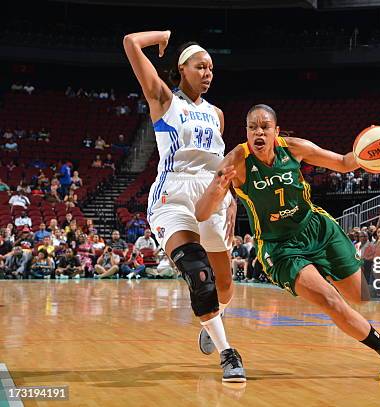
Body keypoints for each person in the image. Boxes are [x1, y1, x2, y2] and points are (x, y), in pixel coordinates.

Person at [195, 104, 380, 381]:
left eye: (265, 127)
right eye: (252, 127)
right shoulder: (236, 161)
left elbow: (344, 163)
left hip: (317, 229)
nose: (258, 132)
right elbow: (201, 213)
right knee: (330, 300)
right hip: (279, 247)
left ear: (276, 131)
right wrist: (217, 189)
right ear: (246, 132)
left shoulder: (295, 148)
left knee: (359, 297)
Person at [123, 29, 244, 381]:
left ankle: (212, 321)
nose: (207, 73)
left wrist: (231, 196)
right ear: (182, 69)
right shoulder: (164, 99)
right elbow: (130, 43)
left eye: (211, 69)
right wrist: (161, 36)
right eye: (200, 67)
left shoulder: (217, 114)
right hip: (172, 195)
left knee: (224, 285)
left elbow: (219, 162)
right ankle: (228, 353)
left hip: (212, 196)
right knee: (199, 275)